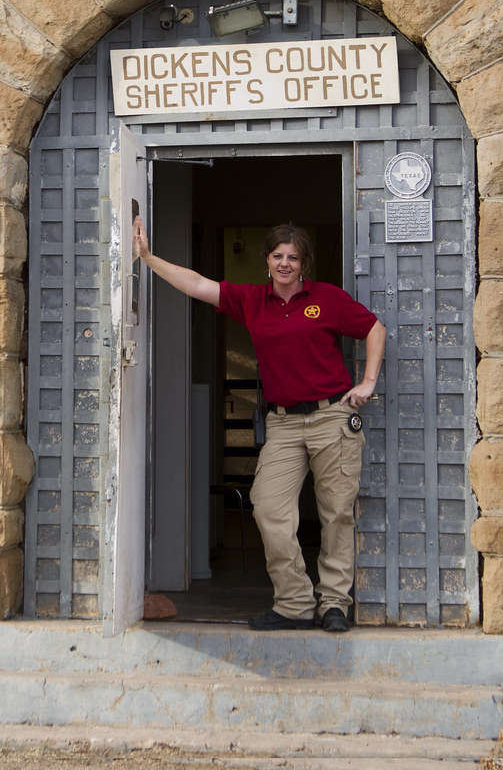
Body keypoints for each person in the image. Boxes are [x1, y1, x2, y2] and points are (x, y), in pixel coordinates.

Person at [132, 216, 385, 632]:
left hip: (331, 417)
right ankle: (294, 603)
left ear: (304, 264)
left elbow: (374, 328)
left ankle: (334, 604)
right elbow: (196, 284)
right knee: (268, 507)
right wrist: (147, 257)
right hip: (283, 423)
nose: (285, 263)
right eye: (278, 256)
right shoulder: (251, 301)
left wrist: (368, 382)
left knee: (336, 513)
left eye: (293, 257)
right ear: (266, 260)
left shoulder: (327, 298)